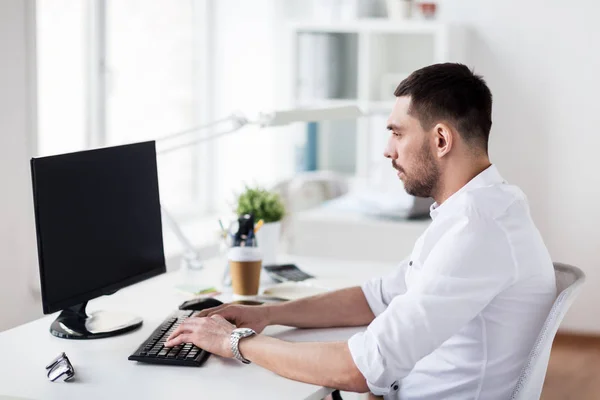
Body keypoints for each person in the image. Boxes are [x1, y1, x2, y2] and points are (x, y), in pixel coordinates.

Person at [165, 63, 556, 399]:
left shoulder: (478, 229)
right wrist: (269, 315)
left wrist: (234, 343)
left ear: (441, 139)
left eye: (397, 133)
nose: (388, 150)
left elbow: (361, 368)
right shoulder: (475, 210)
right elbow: (378, 298)